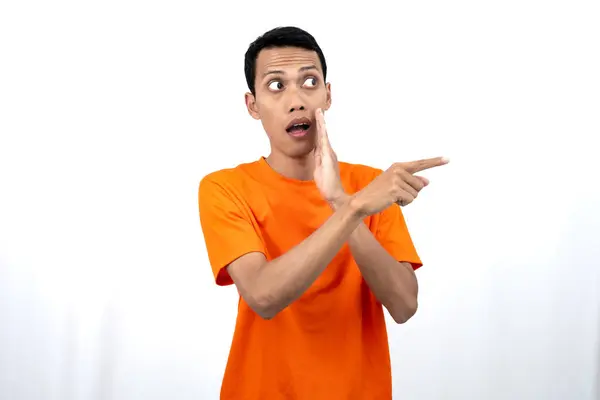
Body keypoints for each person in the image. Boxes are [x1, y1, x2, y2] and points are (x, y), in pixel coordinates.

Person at [198, 26, 448, 400]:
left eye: (310, 82)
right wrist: (353, 208)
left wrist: (339, 199)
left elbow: (404, 304)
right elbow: (263, 296)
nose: (296, 100)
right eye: (276, 86)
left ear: (328, 95)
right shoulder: (225, 188)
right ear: (252, 105)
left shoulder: (369, 184)